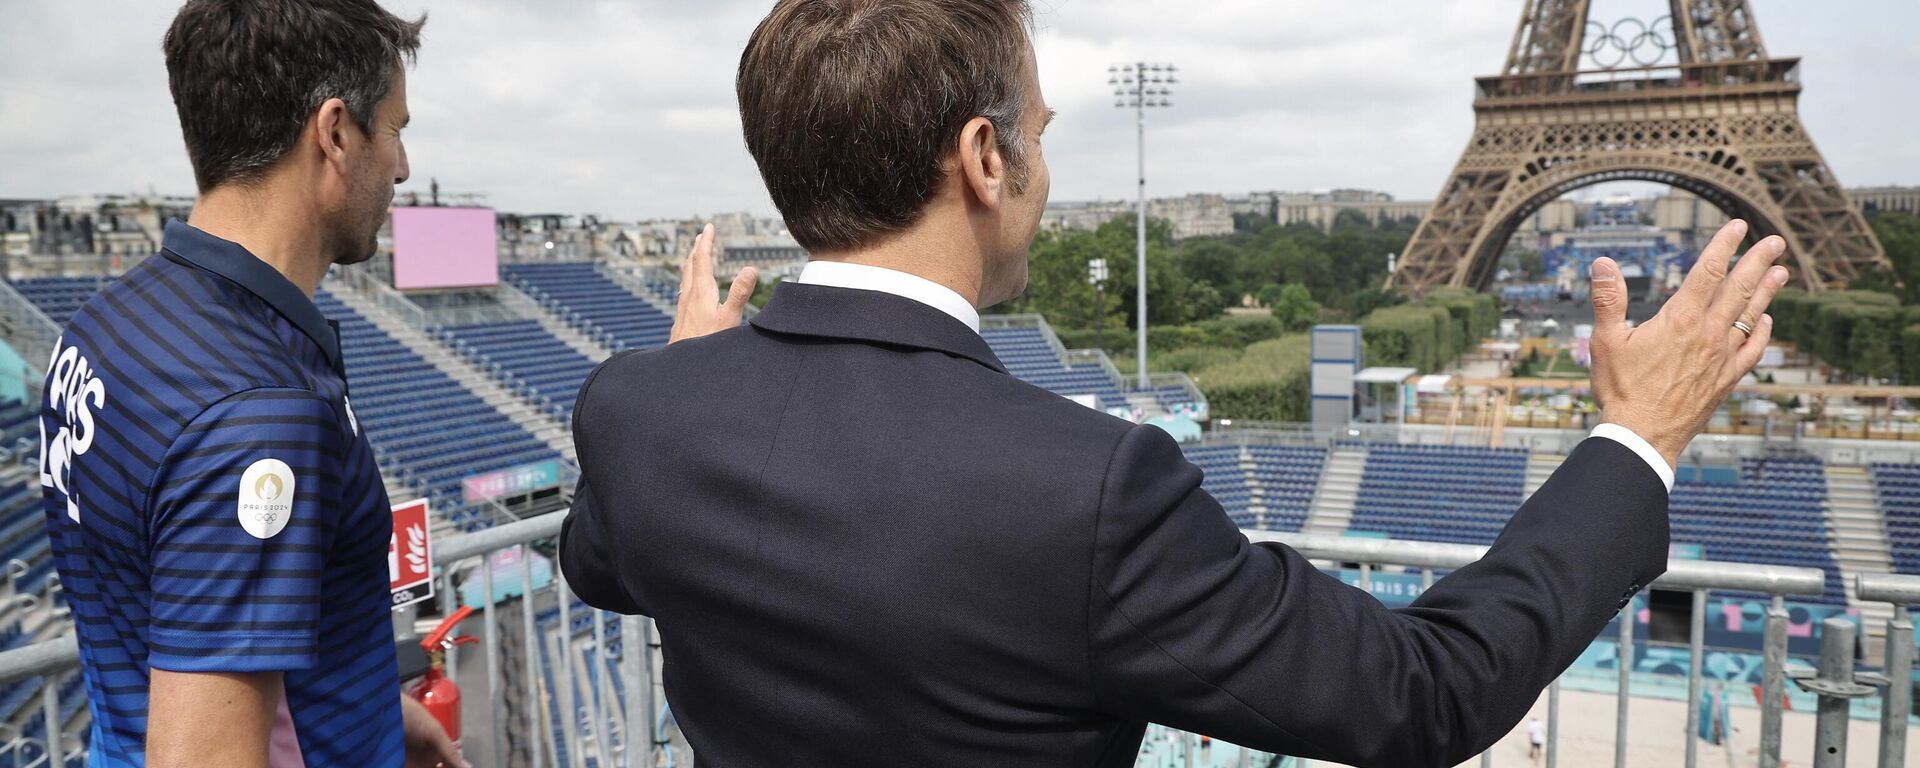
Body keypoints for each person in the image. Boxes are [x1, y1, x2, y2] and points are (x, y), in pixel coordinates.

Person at [559, 0, 1790, 765]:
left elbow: (604, 564)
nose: (1046, 165)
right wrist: (1635, 438)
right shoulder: (1085, 486)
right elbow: (1422, 697)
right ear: (986, 159)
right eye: (1038, 132)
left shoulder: (639, 409)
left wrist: (695, 384)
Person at [37, 2, 471, 765]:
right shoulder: (257, 413)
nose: (403, 167)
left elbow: (159, 623)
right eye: (396, 129)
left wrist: (375, 714)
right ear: (336, 133)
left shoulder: (104, 325)